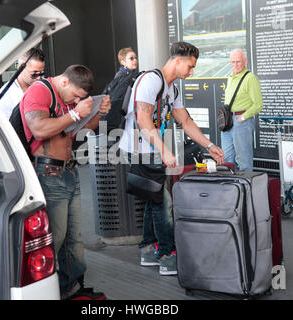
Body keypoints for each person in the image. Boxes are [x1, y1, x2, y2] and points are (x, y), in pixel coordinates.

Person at [119, 41, 225, 275]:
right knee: (162, 201)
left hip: (151, 149)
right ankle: (167, 254)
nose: (192, 71)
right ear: (177, 60)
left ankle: (148, 249)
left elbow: (185, 121)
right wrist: (163, 149)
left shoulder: (172, 88)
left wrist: (210, 145)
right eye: (190, 66)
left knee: (153, 198)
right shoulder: (150, 80)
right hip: (140, 150)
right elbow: (143, 118)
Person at [21, 64, 111, 300]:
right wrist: (74, 112)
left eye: (79, 99)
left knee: (74, 237)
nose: (75, 100)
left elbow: (80, 127)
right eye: (75, 95)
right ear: (64, 82)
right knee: (57, 237)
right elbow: (39, 129)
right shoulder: (40, 91)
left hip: (69, 172)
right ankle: (47, 290)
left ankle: (71, 287)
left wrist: (99, 112)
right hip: (49, 173)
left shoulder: (68, 98)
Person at [221, 49, 263, 171]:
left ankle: (246, 188)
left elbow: (258, 104)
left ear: (245, 61)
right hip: (227, 122)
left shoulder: (250, 78)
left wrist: (242, 118)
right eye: (232, 62)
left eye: (238, 61)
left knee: (243, 161)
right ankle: (231, 188)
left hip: (241, 122)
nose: (235, 65)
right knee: (227, 159)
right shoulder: (230, 78)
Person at [0, 47, 45, 119]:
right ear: (20, 67)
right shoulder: (5, 98)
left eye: (41, 73)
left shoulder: (43, 86)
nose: (39, 78)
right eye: (34, 74)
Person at [100, 47, 139, 132]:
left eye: (135, 58)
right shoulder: (121, 77)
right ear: (123, 62)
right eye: (131, 58)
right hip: (117, 121)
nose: (135, 60)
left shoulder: (132, 75)